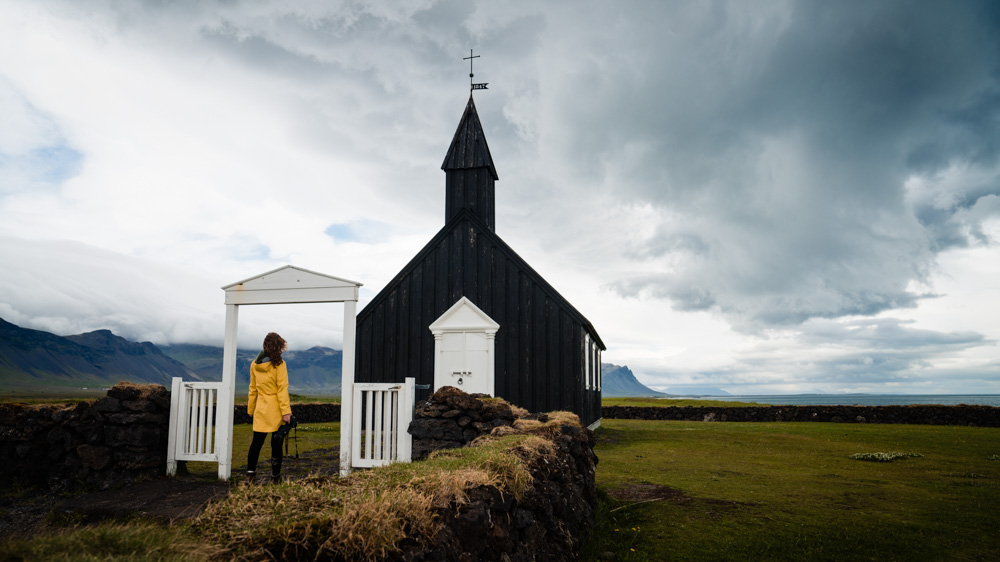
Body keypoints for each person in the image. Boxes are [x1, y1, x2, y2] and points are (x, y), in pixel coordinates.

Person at [246, 332, 292, 484]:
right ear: (278, 347)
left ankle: (250, 475)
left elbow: (252, 389)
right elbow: (282, 389)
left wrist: (251, 409)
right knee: (276, 443)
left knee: (256, 443)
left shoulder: (254, 364)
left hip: (260, 408)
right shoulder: (279, 364)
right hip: (276, 409)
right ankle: (275, 477)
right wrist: (286, 412)